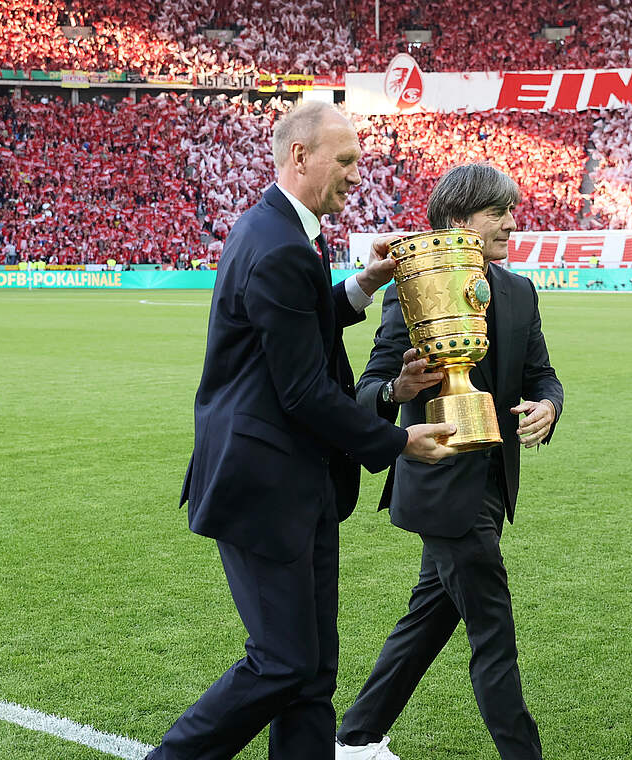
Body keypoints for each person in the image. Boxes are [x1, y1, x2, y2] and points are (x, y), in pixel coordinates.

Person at [147, 102, 456, 760]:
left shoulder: (290, 232)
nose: (354, 175)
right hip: (261, 486)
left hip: (299, 482)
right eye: (344, 161)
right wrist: (398, 440)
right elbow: (304, 390)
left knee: (312, 673)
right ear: (299, 158)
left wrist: (363, 285)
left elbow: (304, 322)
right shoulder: (279, 244)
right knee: (284, 663)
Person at [336, 163, 564, 760]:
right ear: (460, 222)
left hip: (493, 484)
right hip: (440, 486)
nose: (511, 224)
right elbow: (369, 389)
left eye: (510, 212)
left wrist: (547, 406)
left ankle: (354, 739)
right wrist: (398, 391)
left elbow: (543, 374)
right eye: (498, 214)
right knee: (494, 633)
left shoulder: (519, 291)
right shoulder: (407, 291)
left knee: (428, 621)